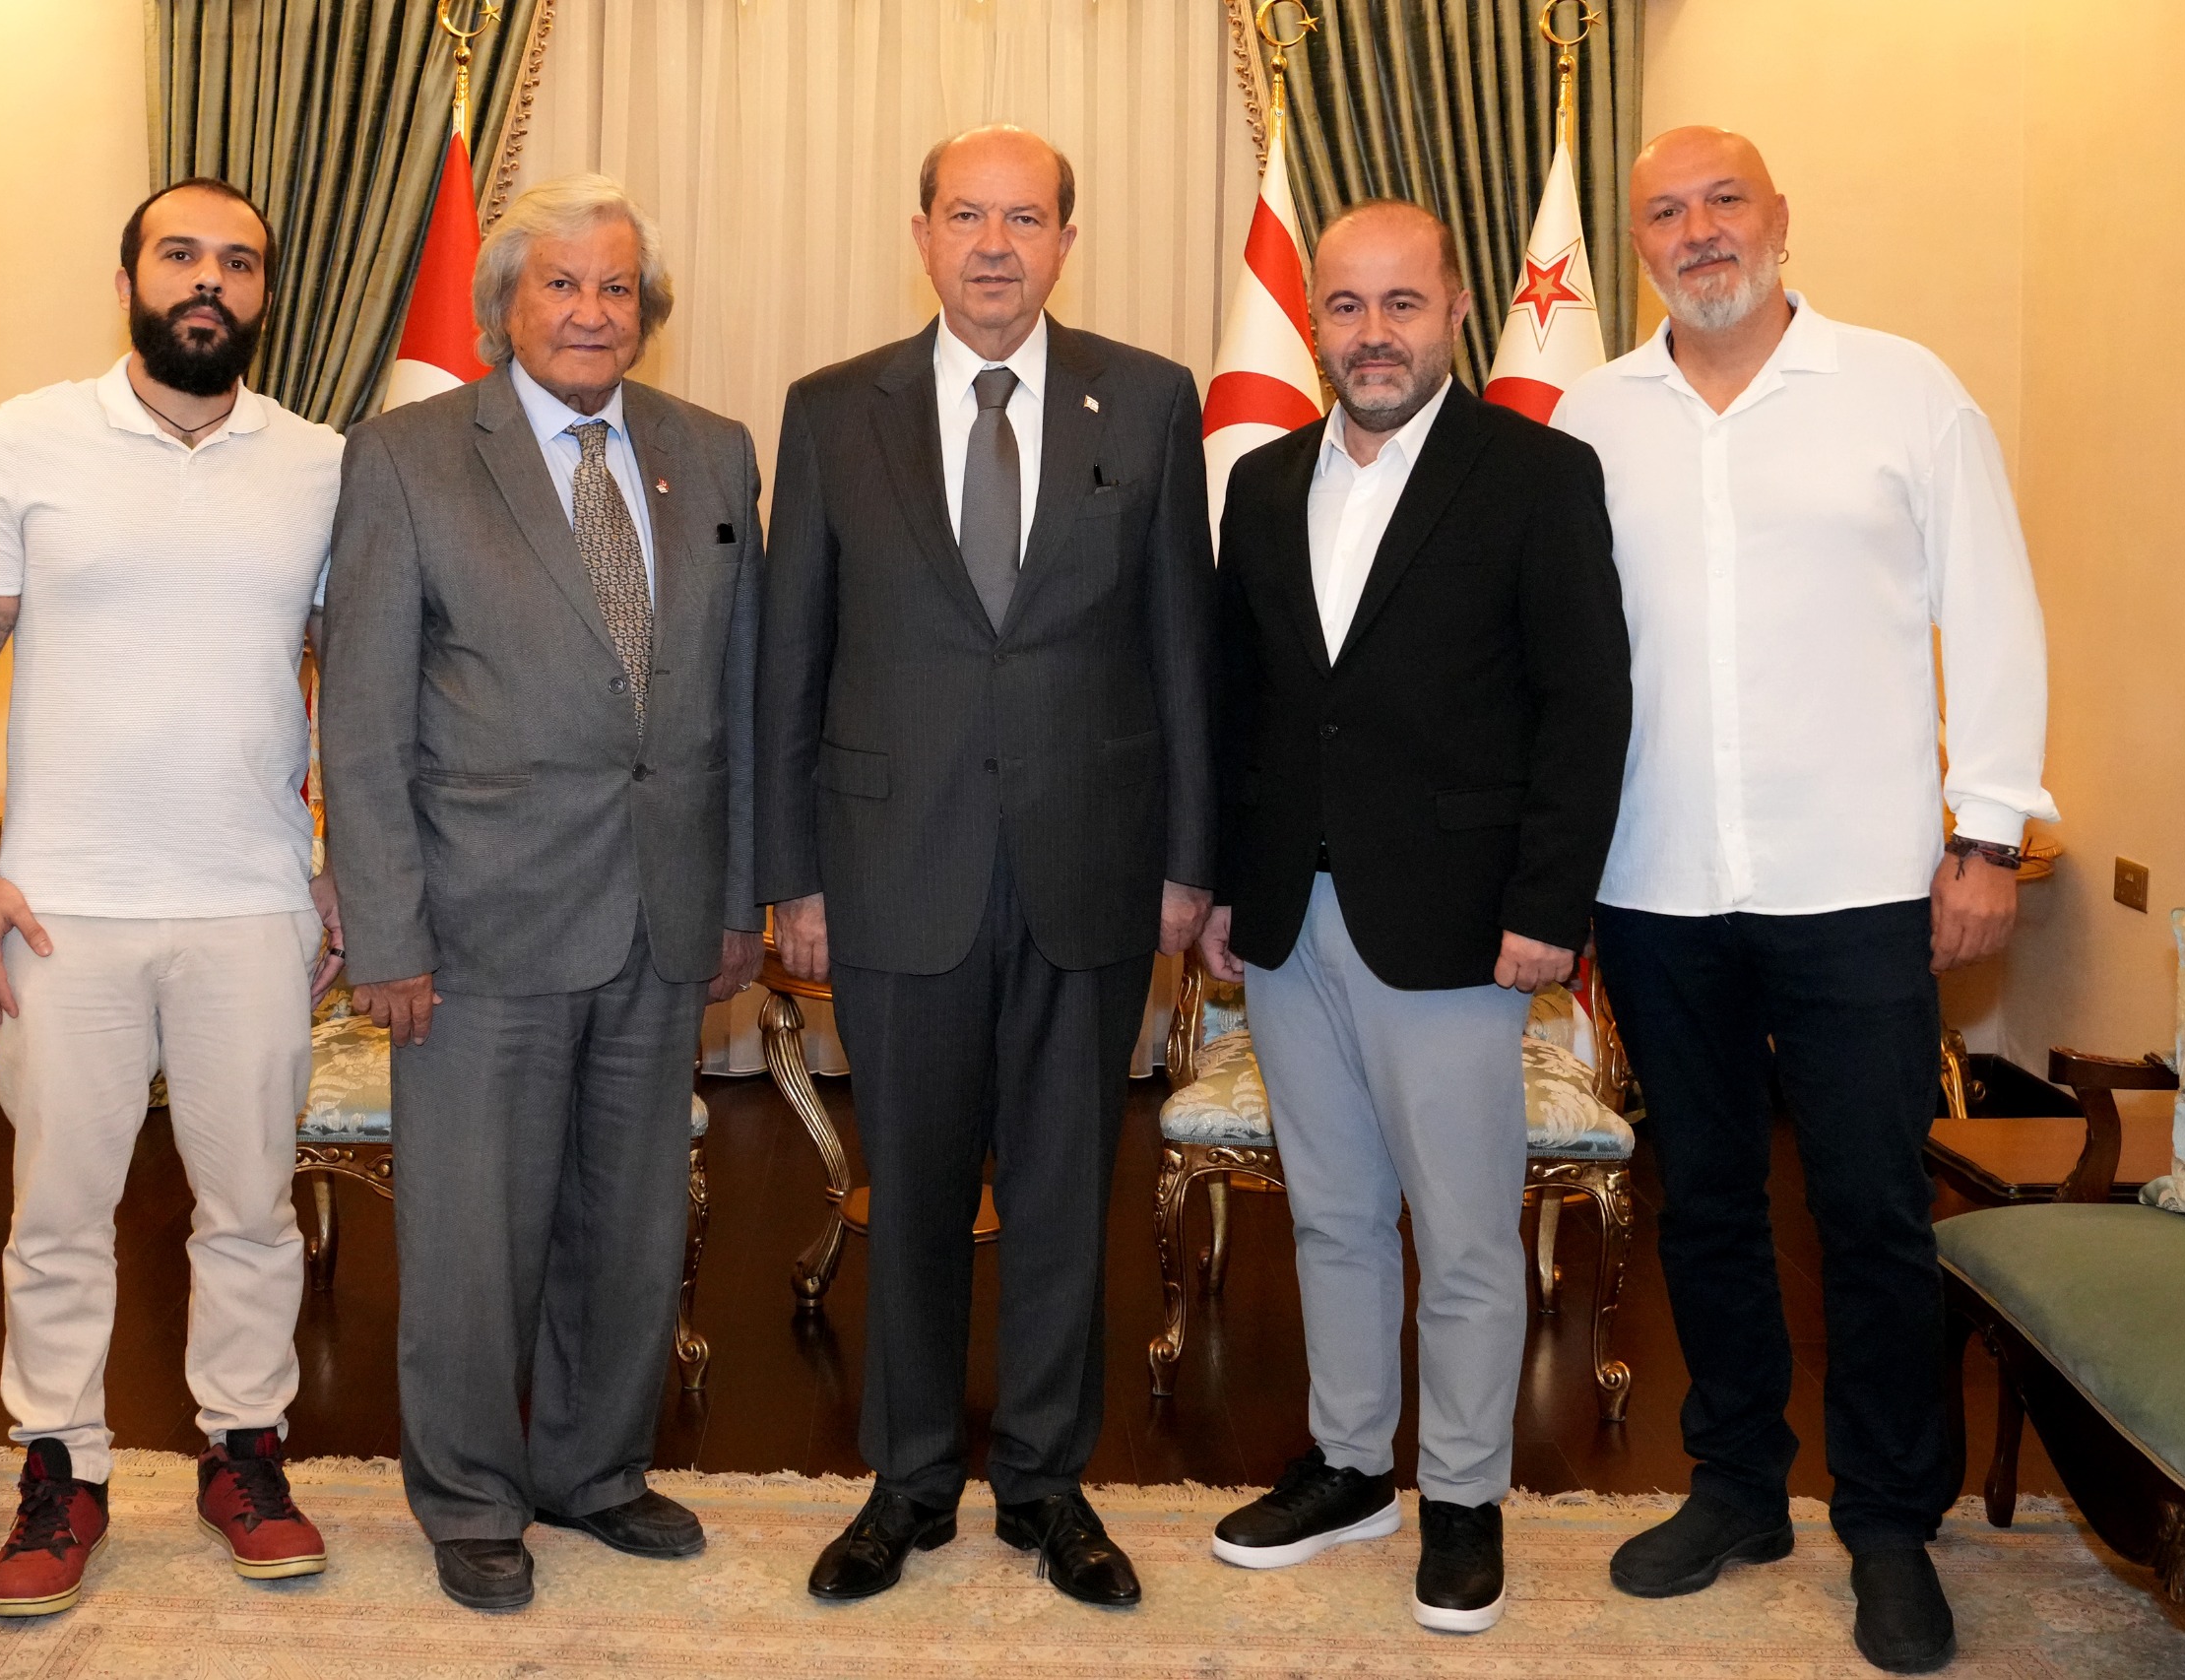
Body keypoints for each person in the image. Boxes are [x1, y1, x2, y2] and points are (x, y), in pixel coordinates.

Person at [1550, 127, 2055, 1676]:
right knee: (1703, 1196)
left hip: (1858, 885)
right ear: (1639, 244)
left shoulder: (1906, 390)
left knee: (1870, 1207)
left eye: (1726, 201)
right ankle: (1737, 1484)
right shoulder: (1591, 415)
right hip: (1656, 882)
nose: (1699, 231)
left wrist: (1986, 835)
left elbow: (1996, 607)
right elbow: (1560, 656)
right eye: (1666, 211)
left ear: (1780, 218)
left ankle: (1890, 1523)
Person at [756, 124, 1215, 1608]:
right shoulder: (834, 409)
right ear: (923, 233)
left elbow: (1183, 649)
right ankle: (905, 1482)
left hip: (1093, 868)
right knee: (914, 1188)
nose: (996, 246)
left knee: (1067, 1190)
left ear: (1067, 240)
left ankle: (1046, 1482)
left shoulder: (1147, 400)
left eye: (1026, 219)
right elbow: (791, 657)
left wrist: (1189, 861)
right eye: (969, 216)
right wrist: (792, 875)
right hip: (894, 868)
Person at [319, 174, 764, 1614]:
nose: (591, 311)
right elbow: (362, 718)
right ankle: (468, 1495)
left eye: (616, 287)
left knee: (630, 1224)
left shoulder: (713, 451)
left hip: (661, 910)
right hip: (476, 925)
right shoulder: (407, 457)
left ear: (648, 311)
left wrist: (739, 897)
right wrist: (386, 932)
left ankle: (596, 1471)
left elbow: (738, 698)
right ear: (504, 305)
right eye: (561, 284)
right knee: (472, 1238)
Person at [1195, 200, 1630, 1633]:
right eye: (1344, 306)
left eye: (1400, 303)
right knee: (1330, 1213)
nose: (1371, 333)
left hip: (1457, 924)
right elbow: (1244, 708)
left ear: (1454, 311)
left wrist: (1549, 906)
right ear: (1313, 322)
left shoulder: (1537, 474)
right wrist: (1223, 882)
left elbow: (1585, 705)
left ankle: (1460, 1495)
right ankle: (1347, 1467)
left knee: (1462, 1232)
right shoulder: (1264, 483)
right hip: (1287, 917)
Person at [0, 177, 346, 1618]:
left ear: (265, 295)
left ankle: (245, 1455)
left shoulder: (321, 463)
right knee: (57, 1209)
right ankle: (62, 1471)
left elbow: (354, 678)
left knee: (251, 1207)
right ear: (128, 283)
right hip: (62, 911)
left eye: (238, 262)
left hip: (253, 901)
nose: (208, 280)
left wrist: (344, 865)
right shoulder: (22, 439)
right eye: (180, 255)